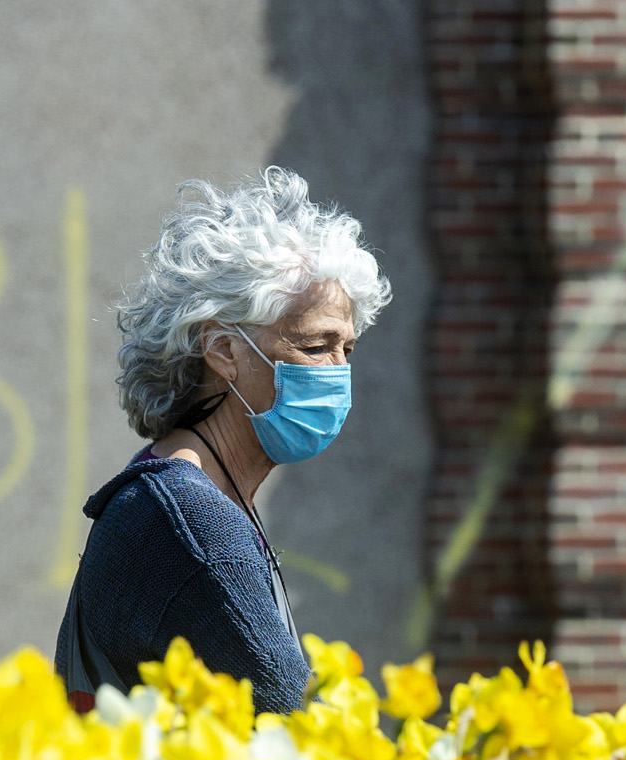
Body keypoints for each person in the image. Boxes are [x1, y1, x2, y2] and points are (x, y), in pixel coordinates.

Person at [55, 167, 389, 713]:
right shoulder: (191, 522)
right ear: (223, 350)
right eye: (313, 346)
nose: (336, 371)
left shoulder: (177, 491)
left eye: (346, 350)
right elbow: (297, 723)